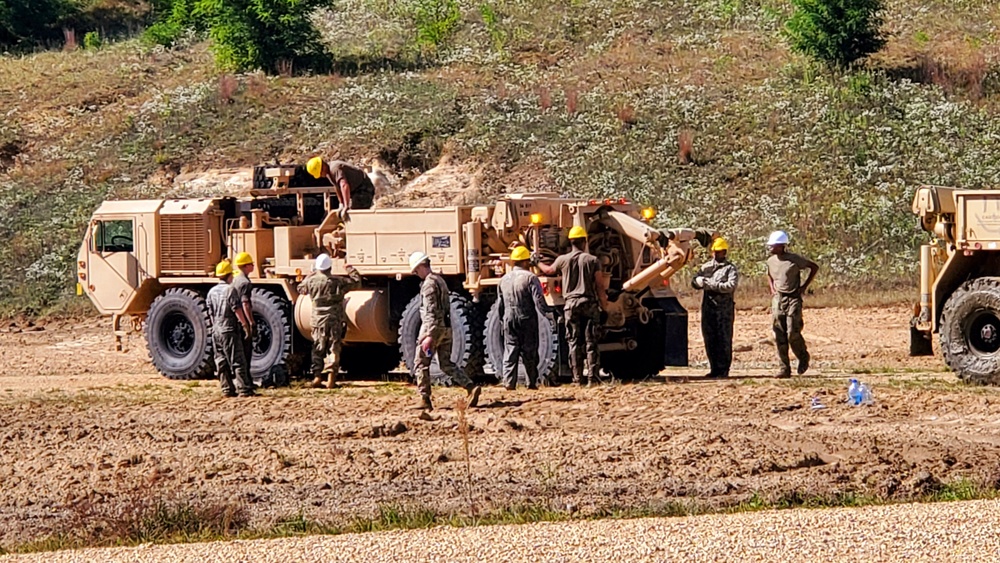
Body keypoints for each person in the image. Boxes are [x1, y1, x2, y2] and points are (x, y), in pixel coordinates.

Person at [409, 251, 481, 411]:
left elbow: (431, 312)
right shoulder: (440, 280)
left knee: (420, 363)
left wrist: (428, 336)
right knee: (446, 363)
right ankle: (470, 386)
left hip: (432, 329)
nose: (416, 273)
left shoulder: (428, 284)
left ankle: (425, 399)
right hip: (446, 328)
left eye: (416, 270)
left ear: (422, 266)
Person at [535, 225, 606, 386]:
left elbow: (549, 270)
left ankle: (577, 379)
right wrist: (604, 305)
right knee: (591, 342)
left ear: (571, 242)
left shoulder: (562, 260)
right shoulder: (592, 260)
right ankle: (592, 379)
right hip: (589, 303)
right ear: (584, 242)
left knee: (573, 342)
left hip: (571, 305)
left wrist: (537, 262)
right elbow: (600, 286)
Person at [299, 253, 361, 389]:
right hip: (334, 319)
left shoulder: (311, 281)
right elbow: (356, 282)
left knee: (318, 347)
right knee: (334, 348)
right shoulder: (338, 282)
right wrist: (349, 268)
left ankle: (316, 377)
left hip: (317, 319)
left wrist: (309, 275)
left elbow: (300, 289)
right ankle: (331, 379)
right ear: (330, 267)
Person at [766, 230, 819, 378]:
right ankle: (784, 368)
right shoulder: (771, 261)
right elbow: (769, 274)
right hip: (778, 299)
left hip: (793, 298)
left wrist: (804, 287)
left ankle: (802, 356)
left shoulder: (794, 259)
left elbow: (814, 267)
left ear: (781, 246)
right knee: (778, 333)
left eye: (773, 245)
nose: (770, 248)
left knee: (792, 332)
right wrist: (772, 288)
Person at [498, 245, 550, 390]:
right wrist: (549, 313)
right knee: (530, 350)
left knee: (510, 350)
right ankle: (531, 382)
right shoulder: (530, 278)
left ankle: (509, 383)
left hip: (509, 317)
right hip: (526, 317)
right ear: (527, 262)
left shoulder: (504, 280)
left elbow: (500, 305)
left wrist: (503, 320)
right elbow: (538, 300)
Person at [692, 237, 739, 378]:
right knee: (710, 338)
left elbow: (730, 286)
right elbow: (694, 282)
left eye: (720, 252)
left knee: (723, 339)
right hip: (709, 308)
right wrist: (697, 282)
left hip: (724, 310)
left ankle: (723, 370)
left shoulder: (730, 269)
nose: (718, 254)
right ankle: (714, 369)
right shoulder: (706, 267)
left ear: (725, 252)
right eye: (715, 252)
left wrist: (709, 284)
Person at [206, 259, 254, 397]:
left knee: (221, 361)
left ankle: (226, 388)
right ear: (229, 275)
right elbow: (237, 309)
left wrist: (214, 326)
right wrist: (246, 325)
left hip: (216, 330)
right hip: (229, 329)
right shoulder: (230, 289)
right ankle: (244, 389)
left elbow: (210, 313)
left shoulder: (211, 291)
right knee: (238, 360)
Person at [305, 157, 376, 221]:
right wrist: (341, 203)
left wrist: (346, 206)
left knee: (354, 214)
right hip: (355, 190)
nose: (320, 176)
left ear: (323, 167)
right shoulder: (329, 173)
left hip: (363, 188)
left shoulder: (334, 169)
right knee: (349, 213)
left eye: (320, 173)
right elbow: (337, 187)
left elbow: (344, 185)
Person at [232, 252, 255, 384]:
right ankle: (246, 381)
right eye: (251, 264)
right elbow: (245, 304)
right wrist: (250, 323)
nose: (253, 266)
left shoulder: (234, 279)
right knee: (246, 351)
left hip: (234, 319)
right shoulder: (245, 283)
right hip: (242, 321)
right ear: (246, 266)